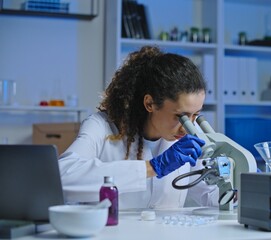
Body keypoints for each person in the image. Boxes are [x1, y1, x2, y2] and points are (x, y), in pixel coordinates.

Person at [59, 46, 218, 209]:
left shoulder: (189, 138)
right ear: (150, 103)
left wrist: (236, 193)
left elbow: (210, 194)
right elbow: (62, 177)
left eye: (195, 115)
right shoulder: (101, 126)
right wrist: (152, 167)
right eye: (181, 117)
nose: (187, 128)